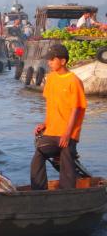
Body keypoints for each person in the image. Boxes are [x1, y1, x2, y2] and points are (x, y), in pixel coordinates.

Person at [30, 44, 87, 190]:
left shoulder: (74, 81)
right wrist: (45, 124)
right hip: (51, 132)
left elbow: (75, 109)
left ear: (63, 61)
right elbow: (52, 106)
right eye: (48, 60)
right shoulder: (51, 78)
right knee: (39, 155)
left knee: (66, 160)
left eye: (52, 59)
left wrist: (67, 134)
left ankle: (67, 194)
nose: (49, 62)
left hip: (68, 134)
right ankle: (38, 191)